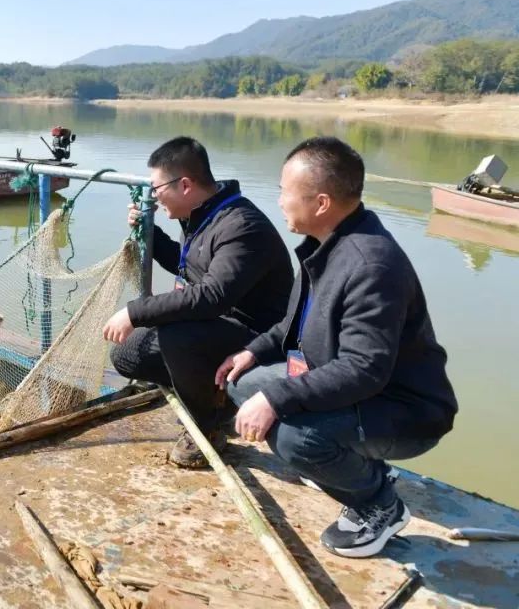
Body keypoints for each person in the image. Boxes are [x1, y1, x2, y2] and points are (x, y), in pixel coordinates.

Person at [216, 137, 457, 558]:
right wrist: (251, 352)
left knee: (294, 438)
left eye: (284, 193)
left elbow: (365, 369)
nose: (280, 202)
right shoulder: (325, 247)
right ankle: (360, 466)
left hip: (404, 409)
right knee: (242, 382)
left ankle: (379, 504)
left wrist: (277, 398)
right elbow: (291, 328)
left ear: (322, 203)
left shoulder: (371, 265)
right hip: (357, 393)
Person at [101, 136, 293, 467]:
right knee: (126, 354)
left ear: (185, 184)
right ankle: (211, 394)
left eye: (157, 189)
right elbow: (189, 265)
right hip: (218, 325)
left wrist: (135, 312)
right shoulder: (200, 216)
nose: (155, 198)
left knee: (178, 336)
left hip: (256, 337)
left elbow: (211, 296)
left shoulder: (242, 226)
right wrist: (152, 235)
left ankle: (208, 426)